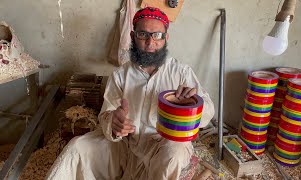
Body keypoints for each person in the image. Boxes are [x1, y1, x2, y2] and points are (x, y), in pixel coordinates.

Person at [46, 7, 214, 180]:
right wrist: (114, 123)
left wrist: (193, 103)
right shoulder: (120, 75)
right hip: (126, 145)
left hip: (162, 146)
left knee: (175, 152)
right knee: (77, 147)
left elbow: (208, 113)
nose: (150, 42)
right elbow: (105, 115)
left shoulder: (181, 73)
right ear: (133, 36)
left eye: (157, 35)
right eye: (143, 35)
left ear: (166, 38)